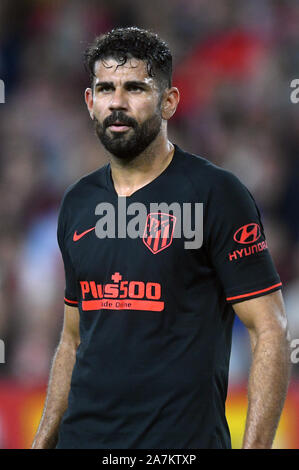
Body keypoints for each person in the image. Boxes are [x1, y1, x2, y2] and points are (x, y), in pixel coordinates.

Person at [31, 27, 290, 449]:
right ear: (89, 102)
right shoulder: (77, 203)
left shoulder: (216, 195)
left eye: (135, 87)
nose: (117, 102)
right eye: (105, 88)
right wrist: (43, 441)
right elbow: (73, 339)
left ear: (169, 101)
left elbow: (270, 329)